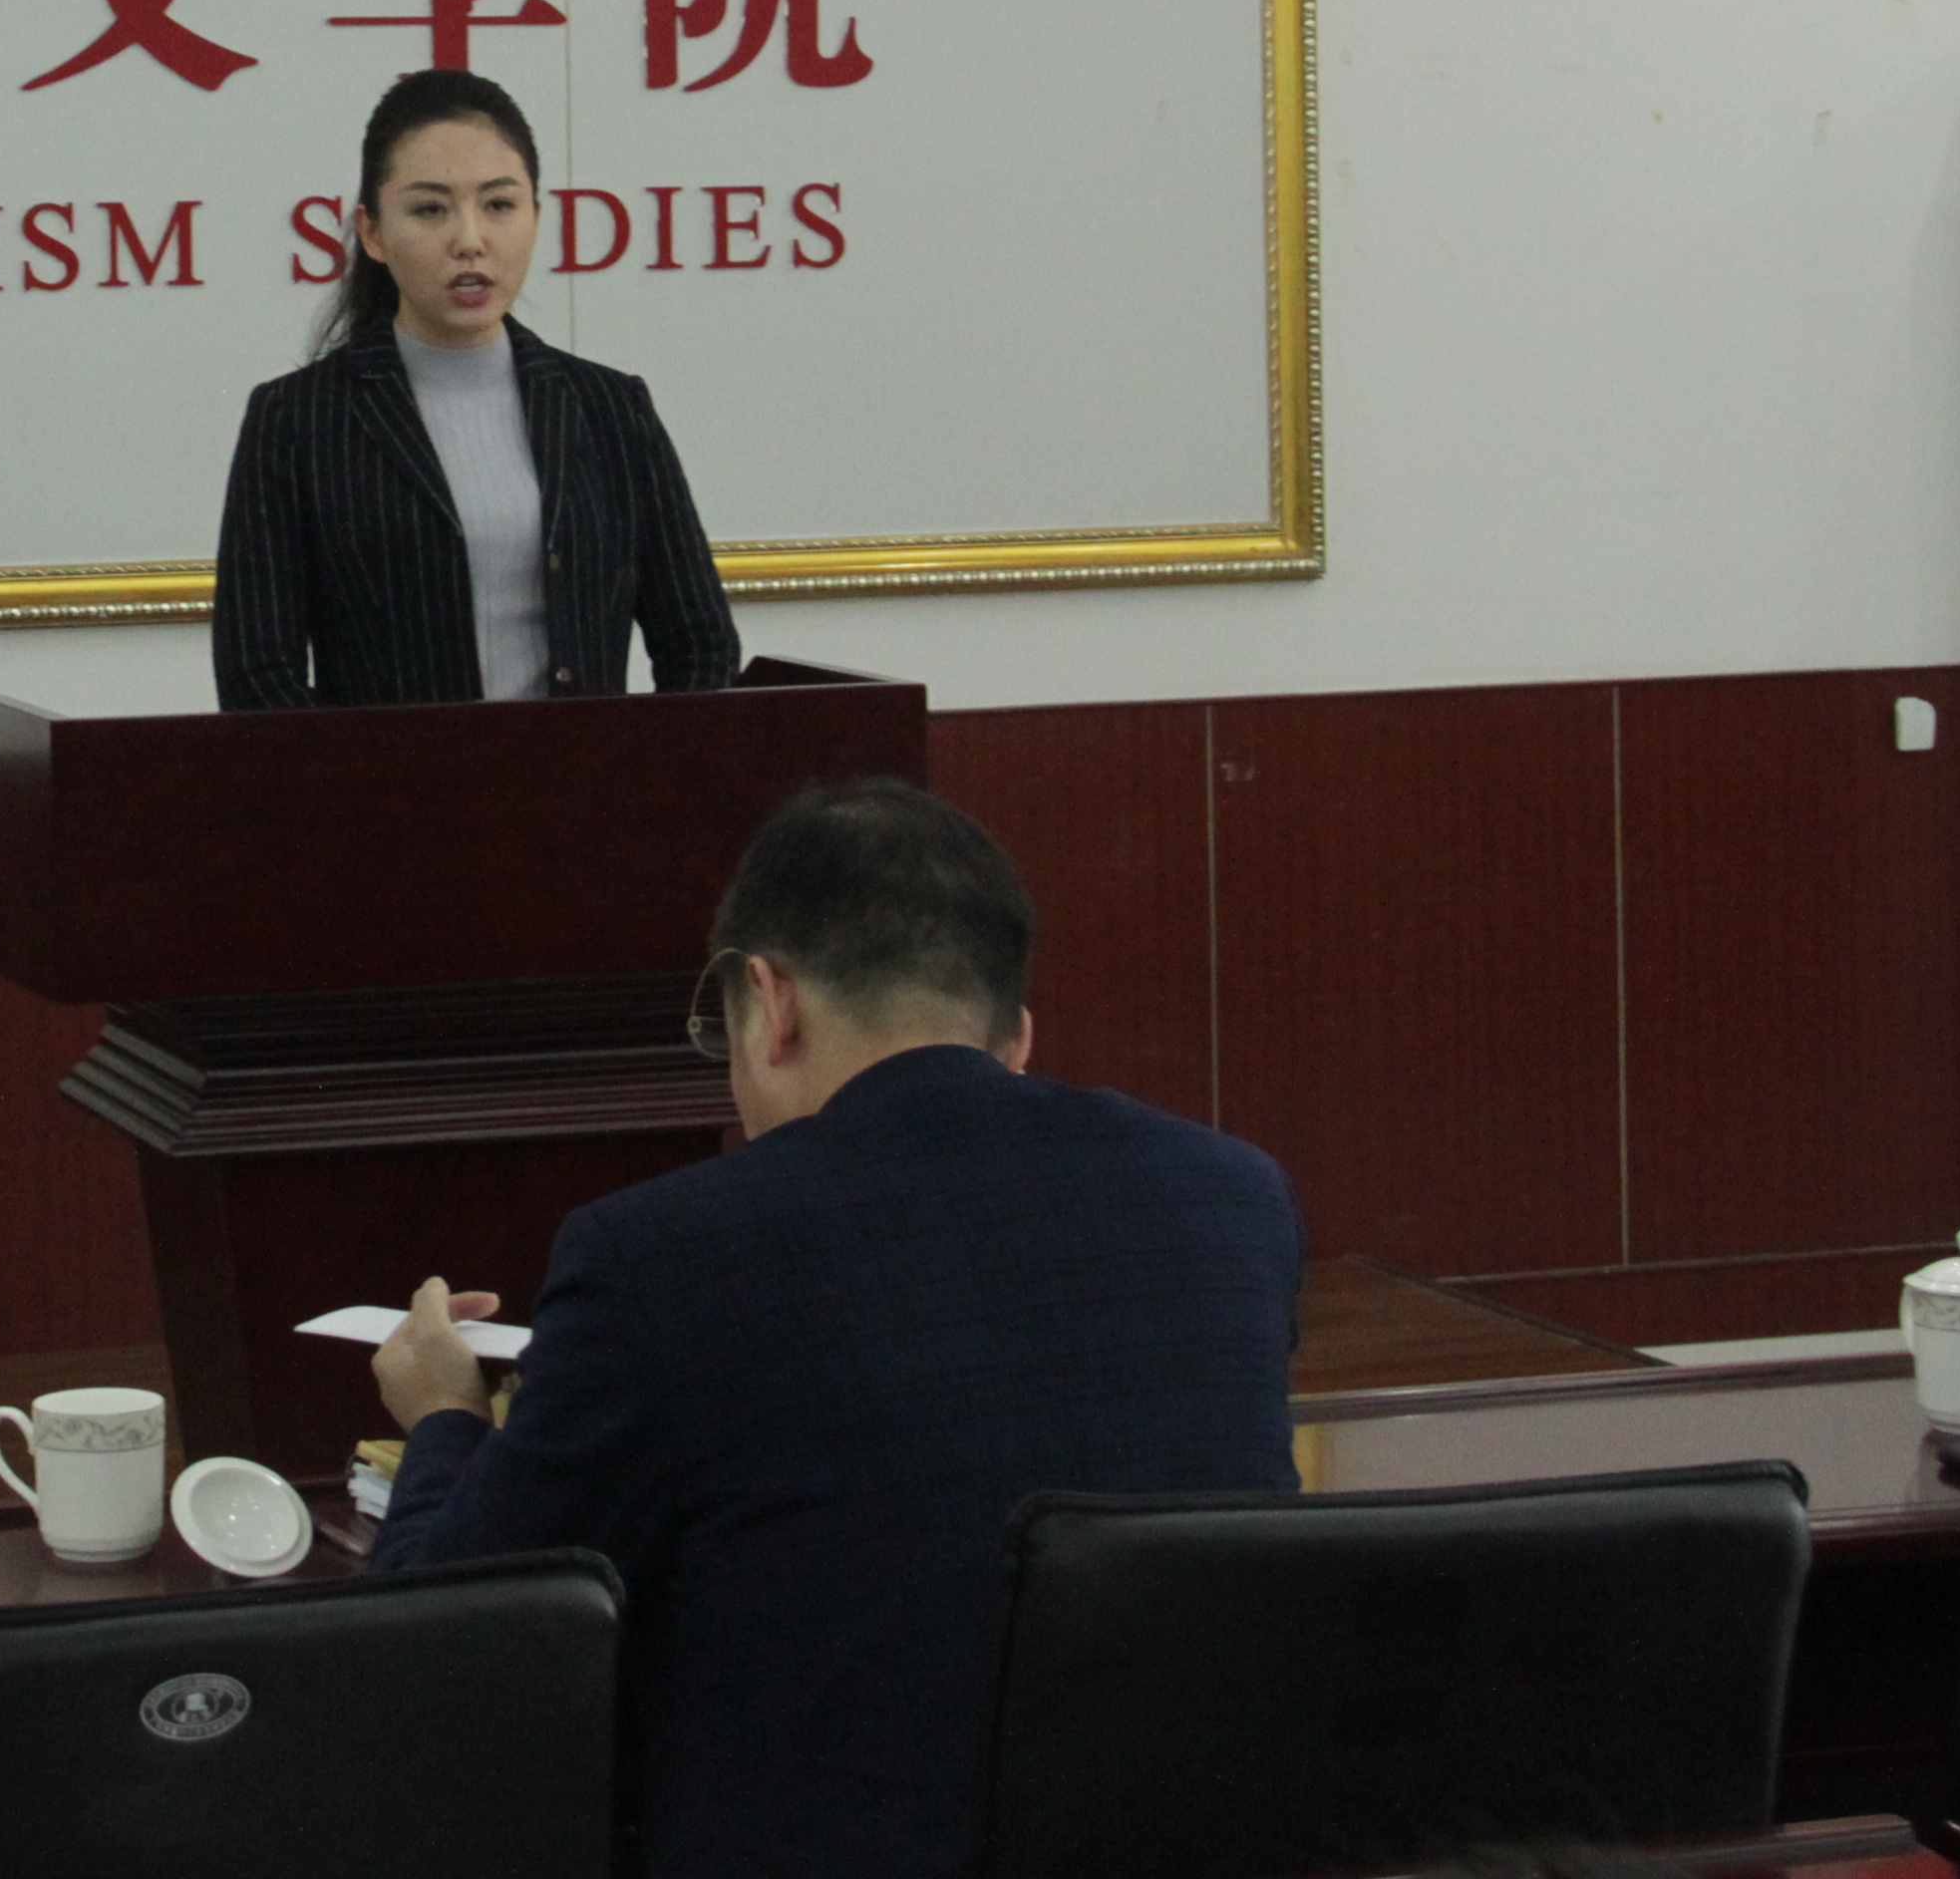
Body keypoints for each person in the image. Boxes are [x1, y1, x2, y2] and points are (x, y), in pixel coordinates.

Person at [366, 778, 1306, 1879]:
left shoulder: (661, 1255)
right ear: (1015, 1038)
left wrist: (444, 1416)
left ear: (770, 1002)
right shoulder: (1234, 1199)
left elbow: (451, 1647)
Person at [210, 67, 738, 709]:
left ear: (536, 216)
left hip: (589, 775)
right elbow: (257, 674)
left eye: (499, 205)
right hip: (385, 776)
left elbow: (701, 645)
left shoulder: (610, 409)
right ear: (373, 232)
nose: (469, 241)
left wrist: (644, 768)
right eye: (430, 209)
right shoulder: (297, 419)